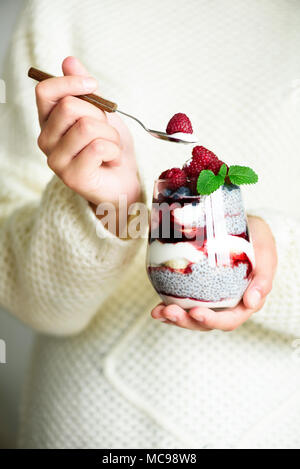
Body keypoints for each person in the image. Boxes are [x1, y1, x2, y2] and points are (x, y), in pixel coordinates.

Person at [0, 0, 299, 449]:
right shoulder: (57, 9)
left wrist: (277, 250)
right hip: (84, 432)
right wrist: (109, 207)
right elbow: (32, 299)